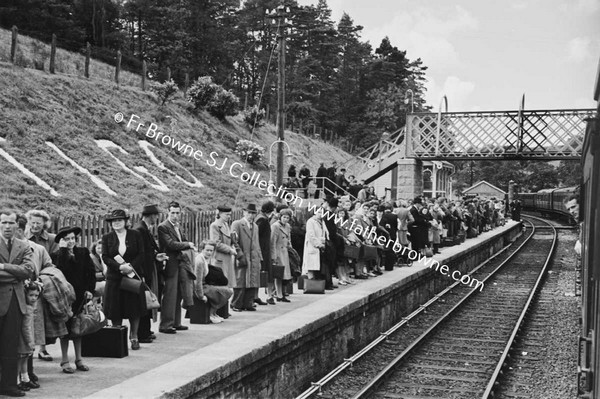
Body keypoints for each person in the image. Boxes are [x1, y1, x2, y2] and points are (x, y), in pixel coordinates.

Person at [51, 225, 95, 374]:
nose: (70, 242)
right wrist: (63, 251)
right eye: (66, 239)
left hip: (80, 295)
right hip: (65, 297)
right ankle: (64, 360)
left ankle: (79, 358)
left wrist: (90, 289)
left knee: (78, 327)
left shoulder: (82, 252)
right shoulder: (57, 255)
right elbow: (60, 271)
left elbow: (90, 272)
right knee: (65, 329)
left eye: (72, 238)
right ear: (61, 241)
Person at [15, 214, 53, 385]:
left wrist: (37, 284)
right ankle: (18, 376)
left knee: (29, 336)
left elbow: (48, 267)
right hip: (14, 296)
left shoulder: (36, 248)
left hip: (31, 298)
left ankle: (28, 373)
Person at [0, 210, 34, 397]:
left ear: (17, 225)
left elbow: (28, 271)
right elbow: (21, 273)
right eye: (4, 222)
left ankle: (8, 385)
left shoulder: (23, 246)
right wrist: (15, 276)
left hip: (15, 301)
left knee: (11, 344)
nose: (7, 226)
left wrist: (3, 266)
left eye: (11, 223)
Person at [158, 202, 196, 334]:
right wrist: (187, 244)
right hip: (170, 263)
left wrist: (186, 244)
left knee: (179, 292)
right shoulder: (163, 227)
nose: (175, 216)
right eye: (172, 213)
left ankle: (176, 322)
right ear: (167, 212)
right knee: (170, 293)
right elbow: (170, 244)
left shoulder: (177, 226)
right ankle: (166, 324)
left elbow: (180, 241)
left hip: (180, 262)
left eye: (177, 213)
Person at [134, 205, 167, 344]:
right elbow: (141, 253)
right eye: (156, 215)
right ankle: (143, 333)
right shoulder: (141, 229)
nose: (157, 218)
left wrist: (156, 256)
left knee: (147, 299)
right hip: (144, 270)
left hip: (148, 268)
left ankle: (146, 330)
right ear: (151, 215)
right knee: (145, 300)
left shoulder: (143, 228)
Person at [230, 204, 263, 311]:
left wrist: (259, 257)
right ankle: (236, 304)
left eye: (253, 213)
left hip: (254, 257)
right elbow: (234, 240)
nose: (251, 215)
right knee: (241, 280)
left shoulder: (255, 226)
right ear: (244, 212)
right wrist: (239, 255)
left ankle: (248, 303)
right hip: (242, 256)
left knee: (252, 281)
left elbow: (257, 243)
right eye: (249, 212)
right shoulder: (237, 224)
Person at [193, 241, 233, 324]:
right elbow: (197, 281)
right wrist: (201, 296)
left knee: (227, 290)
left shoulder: (207, 259)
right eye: (207, 250)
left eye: (211, 251)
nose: (209, 252)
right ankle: (210, 314)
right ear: (202, 249)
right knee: (225, 291)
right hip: (200, 288)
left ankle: (214, 313)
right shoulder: (199, 261)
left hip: (205, 285)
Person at [17, 280, 41, 392]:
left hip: (26, 339)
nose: (34, 298)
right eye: (31, 295)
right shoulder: (27, 309)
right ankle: (18, 380)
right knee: (21, 359)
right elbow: (26, 327)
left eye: (36, 295)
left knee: (25, 358)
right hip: (24, 339)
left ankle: (25, 378)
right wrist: (30, 341)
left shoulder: (30, 308)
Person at [209, 206, 237, 289]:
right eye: (227, 215)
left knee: (227, 285)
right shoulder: (215, 225)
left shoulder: (226, 224)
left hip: (227, 259)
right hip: (219, 259)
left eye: (230, 215)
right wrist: (230, 250)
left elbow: (228, 240)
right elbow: (216, 243)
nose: (229, 217)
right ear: (220, 214)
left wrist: (234, 238)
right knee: (220, 285)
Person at [270, 209, 293, 301]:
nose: (286, 219)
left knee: (285, 275)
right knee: (279, 274)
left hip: (285, 252)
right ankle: (278, 294)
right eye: (284, 217)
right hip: (278, 252)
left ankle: (282, 293)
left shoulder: (287, 226)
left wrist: (290, 247)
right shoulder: (275, 226)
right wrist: (273, 256)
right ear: (280, 217)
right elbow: (273, 242)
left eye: (288, 218)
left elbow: (289, 239)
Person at [255, 202, 275, 305]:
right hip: (263, 250)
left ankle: (263, 295)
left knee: (264, 272)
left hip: (264, 249)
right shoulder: (262, 220)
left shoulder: (262, 218)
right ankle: (266, 295)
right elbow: (257, 236)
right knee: (264, 272)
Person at [301, 208, 327, 280]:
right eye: (318, 212)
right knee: (311, 266)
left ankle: (317, 285)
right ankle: (310, 284)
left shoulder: (322, 222)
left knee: (317, 266)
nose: (320, 214)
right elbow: (311, 235)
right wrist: (318, 244)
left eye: (322, 212)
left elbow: (324, 233)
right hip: (312, 246)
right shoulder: (310, 221)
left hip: (320, 246)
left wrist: (323, 241)